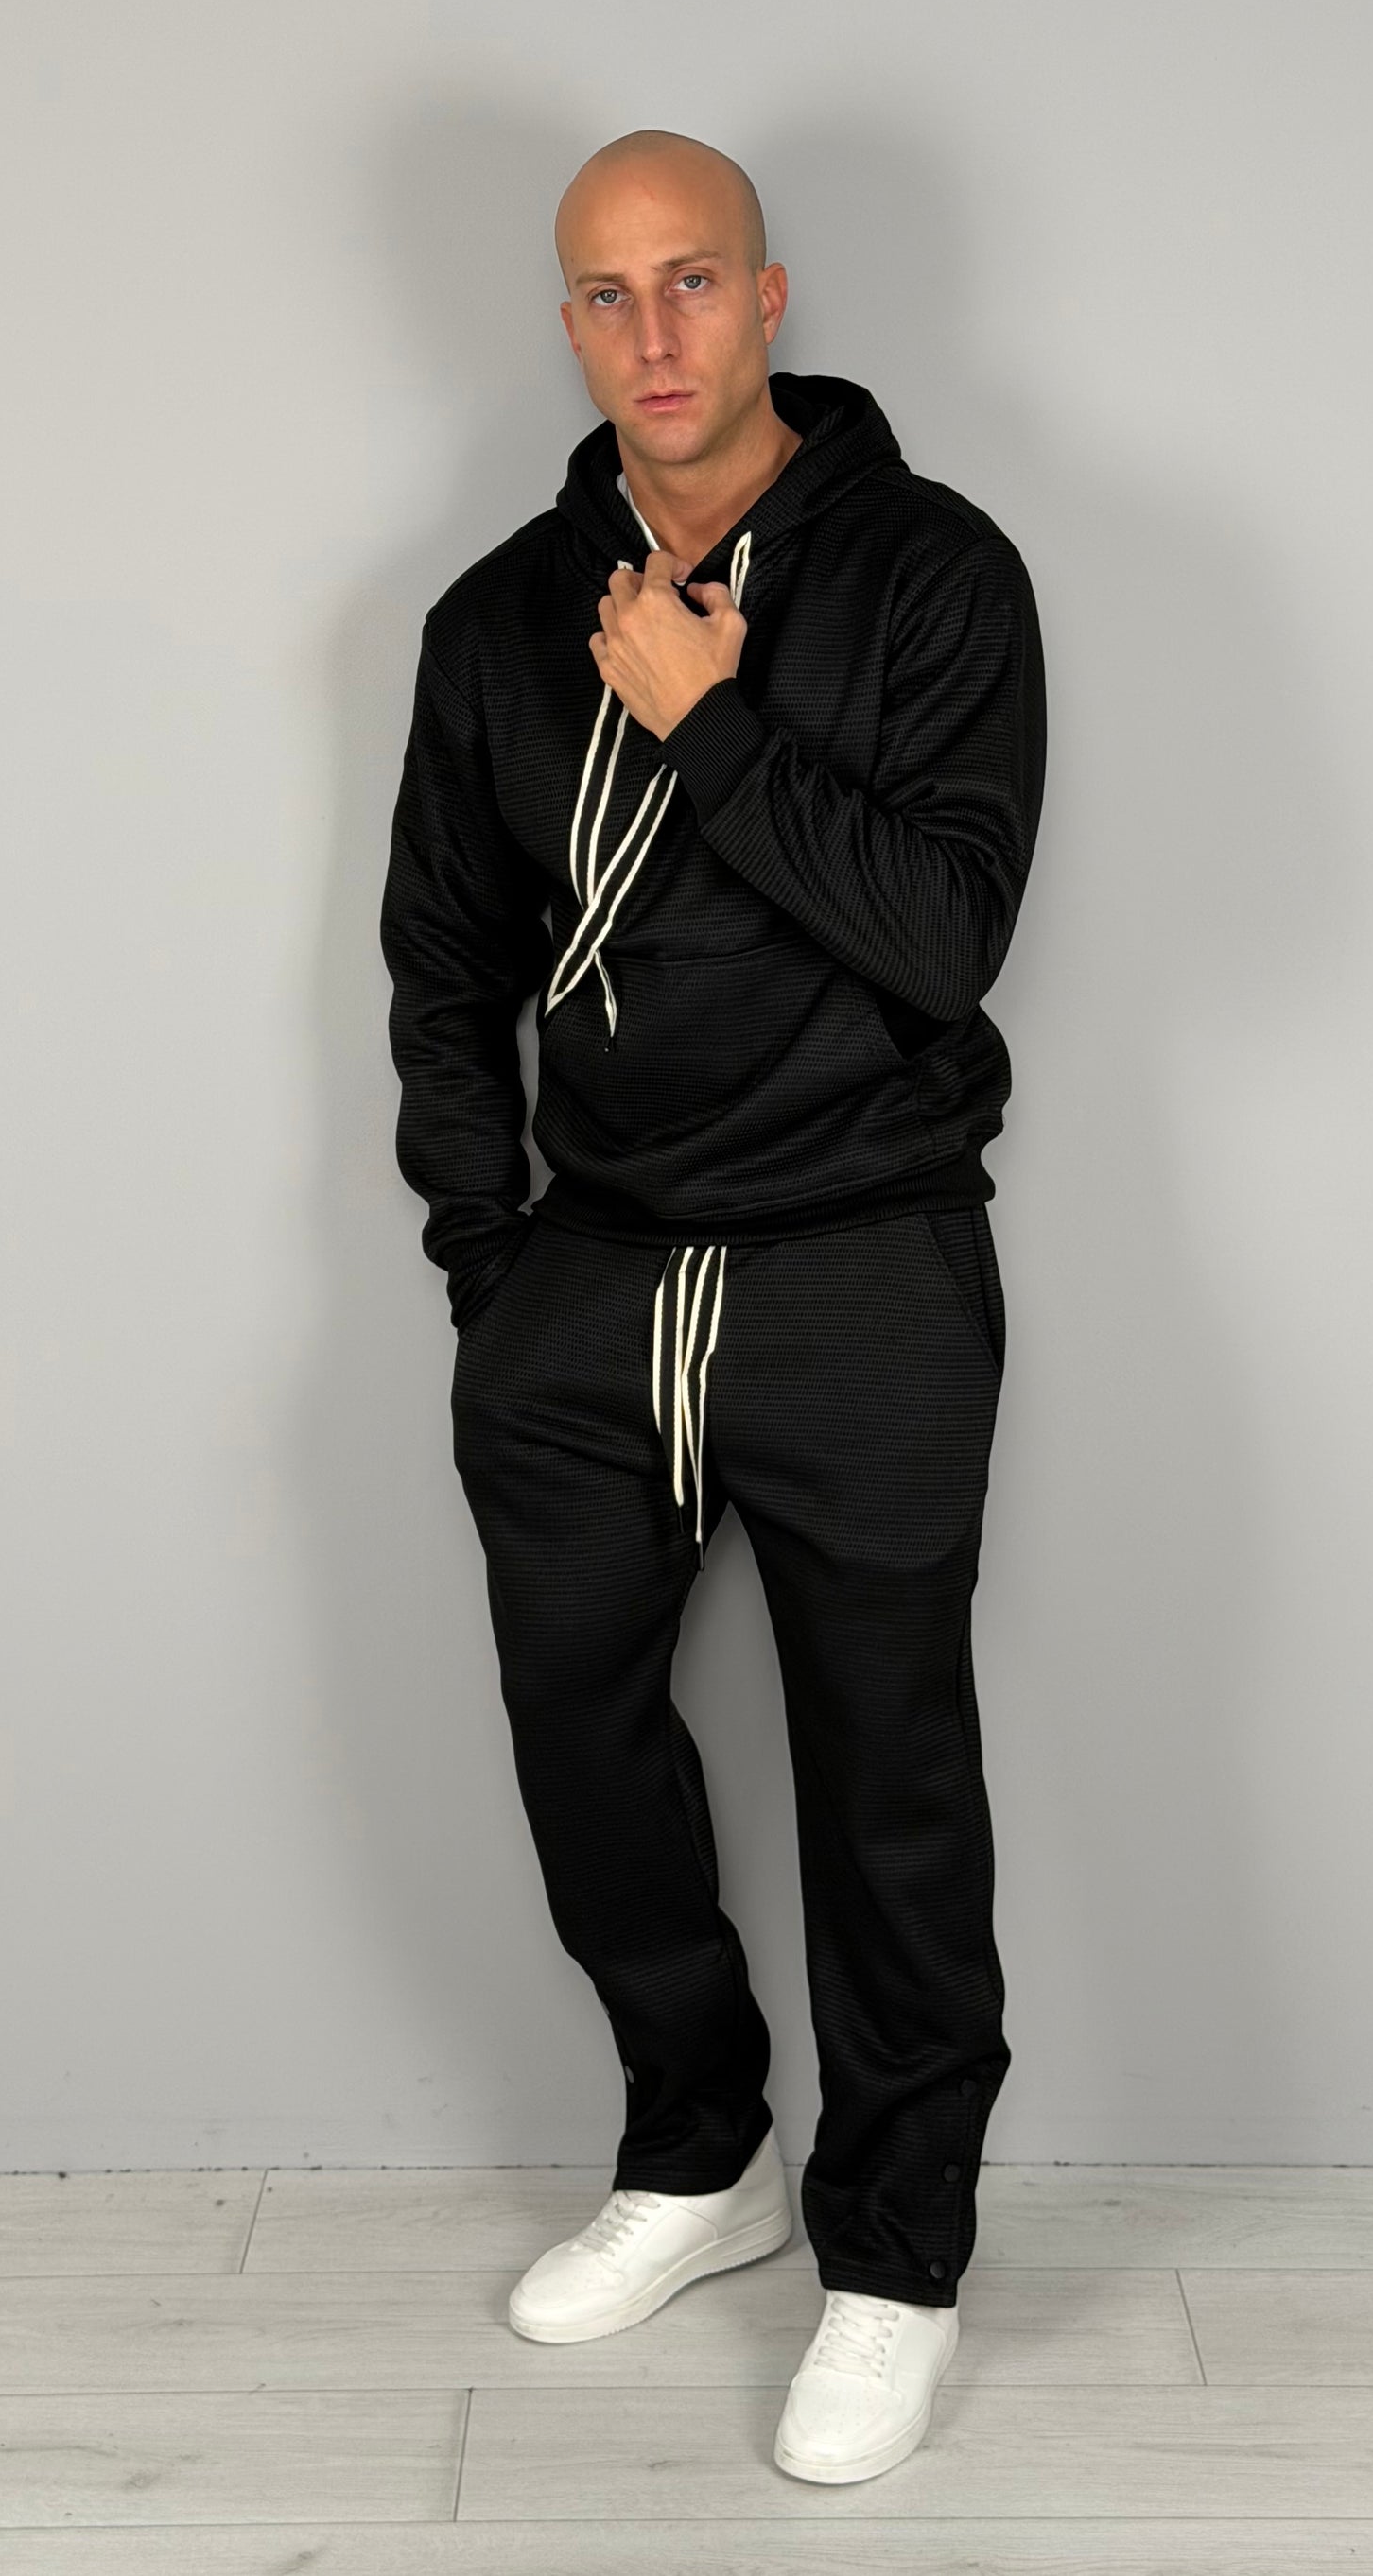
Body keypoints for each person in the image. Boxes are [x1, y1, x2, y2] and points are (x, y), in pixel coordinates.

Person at [380, 126, 1045, 2485]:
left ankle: (897, 2257)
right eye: (603, 292)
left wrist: (707, 720)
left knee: (888, 1783)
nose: (649, 334)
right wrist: (486, 1261)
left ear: (768, 297)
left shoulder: (935, 570)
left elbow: (945, 933)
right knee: (580, 1742)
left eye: (689, 281)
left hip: (862, 1265)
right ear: (566, 324)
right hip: (587, 1287)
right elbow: (442, 966)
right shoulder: (492, 617)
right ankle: (701, 2154)